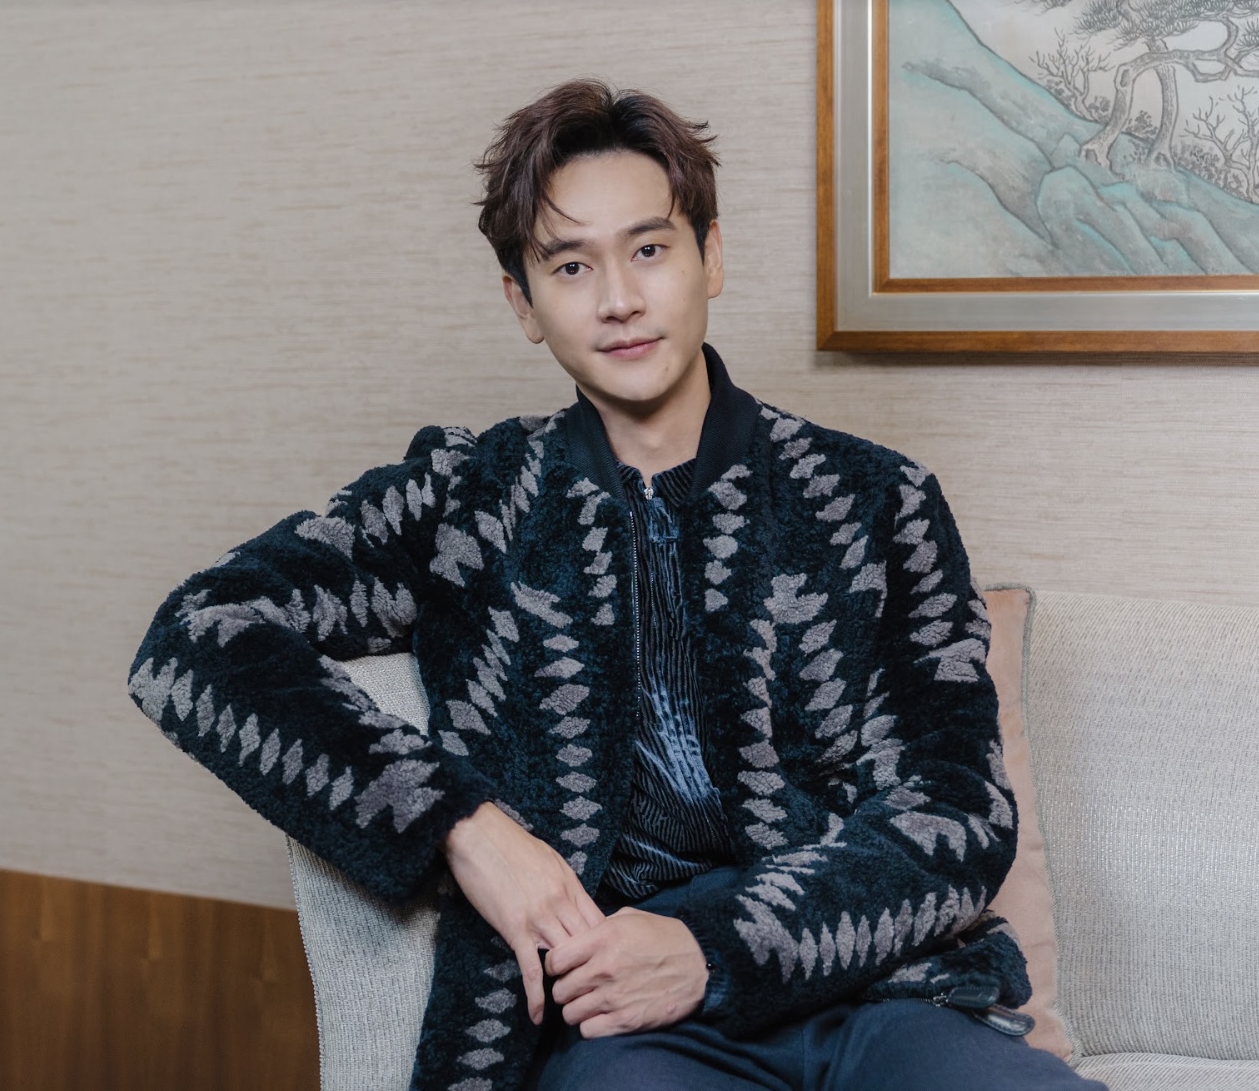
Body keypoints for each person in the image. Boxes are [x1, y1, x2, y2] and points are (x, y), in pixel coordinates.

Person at [128, 79, 1104, 1091]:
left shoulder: (876, 500)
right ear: (523, 303)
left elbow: (955, 814)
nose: (619, 299)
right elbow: (195, 636)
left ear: (710, 257)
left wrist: (716, 949)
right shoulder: (467, 500)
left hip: (874, 994)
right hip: (619, 1022)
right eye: (570, 265)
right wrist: (461, 825)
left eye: (649, 249)